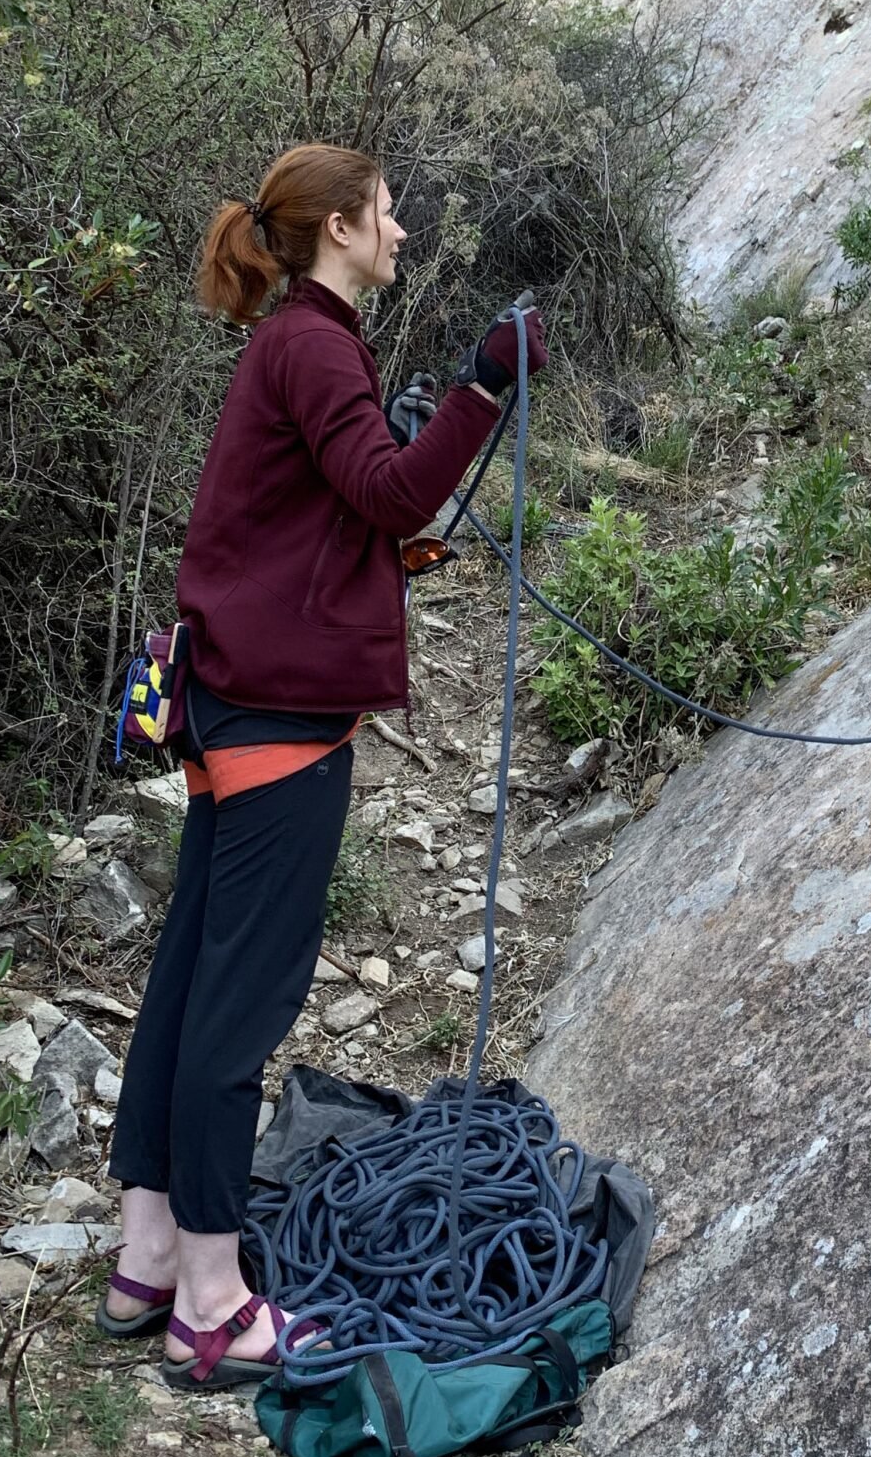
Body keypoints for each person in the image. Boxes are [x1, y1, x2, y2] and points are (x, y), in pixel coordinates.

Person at [102, 143, 547, 1387]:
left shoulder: (297, 344)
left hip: (235, 704)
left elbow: (337, 499)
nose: (400, 232)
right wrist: (484, 386)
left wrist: (406, 436)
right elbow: (394, 496)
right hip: (278, 725)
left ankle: (149, 1249)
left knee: (192, 978)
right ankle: (210, 1301)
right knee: (236, 1006)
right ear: (341, 227)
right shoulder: (313, 344)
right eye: (387, 214)